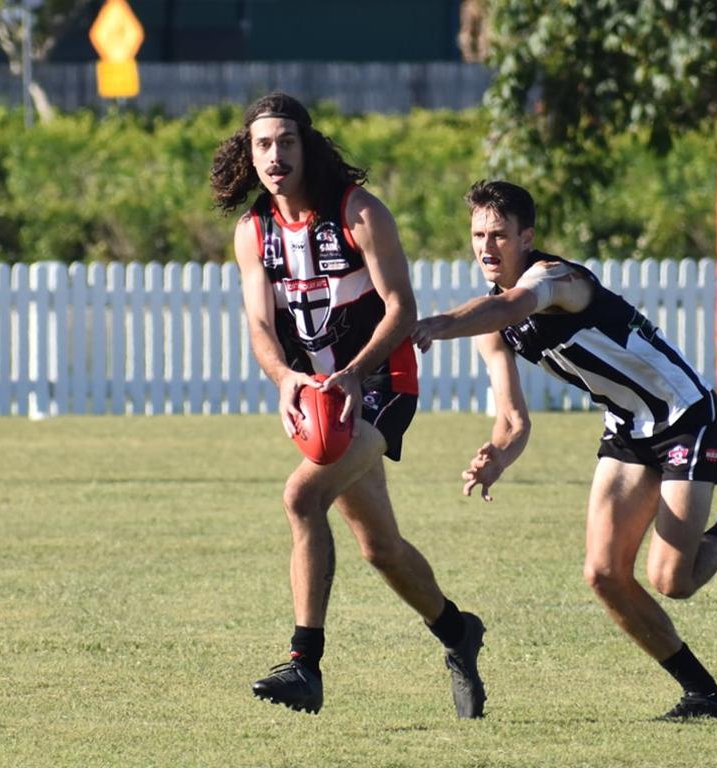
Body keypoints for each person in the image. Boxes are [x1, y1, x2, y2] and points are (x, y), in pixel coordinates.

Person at [412, 180, 717, 720]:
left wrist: (435, 325)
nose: (486, 247)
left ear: (527, 237)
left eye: (499, 234)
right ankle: (704, 694)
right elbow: (514, 420)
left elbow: (516, 304)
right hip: (629, 428)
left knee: (671, 581)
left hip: (684, 416)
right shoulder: (492, 325)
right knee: (603, 574)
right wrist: (496, 455)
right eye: (477, 234)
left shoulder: (556, 279)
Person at [210, 92, 486, 718]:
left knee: (302, 497)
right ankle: (457, 632)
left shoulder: (358, 213)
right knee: (380, 547)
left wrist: (358, 374)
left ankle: (304, 665)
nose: (274, 155)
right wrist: (284, 378)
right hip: (320, 396)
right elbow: (258, 323)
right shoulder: (253, 231)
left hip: (383, 386)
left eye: (286, 142)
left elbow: (401, 309)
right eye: (262, 144)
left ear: (308, 146)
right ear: (248, 154)